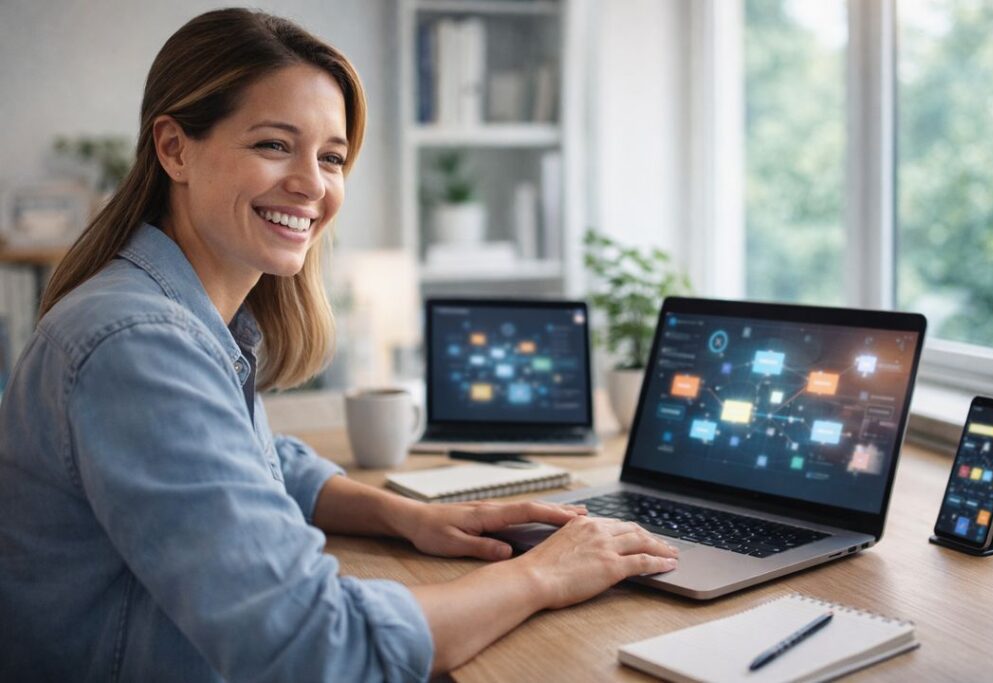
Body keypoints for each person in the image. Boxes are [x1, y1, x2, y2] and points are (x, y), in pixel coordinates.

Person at [0, 9, 677, 682]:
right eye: (273, 144)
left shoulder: (178, 315)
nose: (312, 184)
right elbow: (320, 649)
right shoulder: (140, 344)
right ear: (174, 148)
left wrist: (413, 517)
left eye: (331, 156)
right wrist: (542, 575)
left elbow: (258, 460)